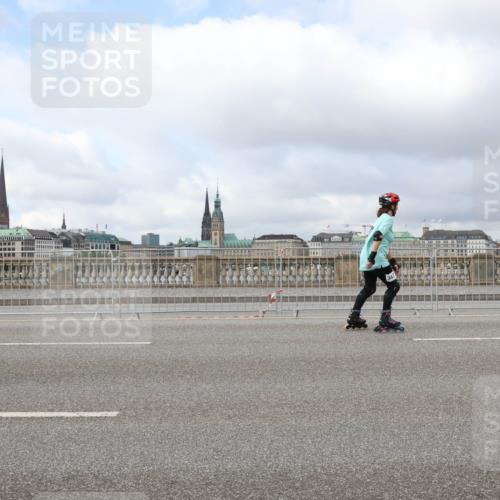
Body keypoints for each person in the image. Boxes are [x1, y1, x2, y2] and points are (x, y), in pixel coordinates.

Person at [346, 192, 404, 332]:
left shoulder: (380, 219)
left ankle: (354, 316)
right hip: (376, 259)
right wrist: (373, 258)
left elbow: (382, 242)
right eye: (396, 205)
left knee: (369, 288)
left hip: (367, 258)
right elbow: (378, 237)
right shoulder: (388, 219)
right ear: (391, 206)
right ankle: (385, 320)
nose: (397, 208)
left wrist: (393, 261)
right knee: (394, 286)